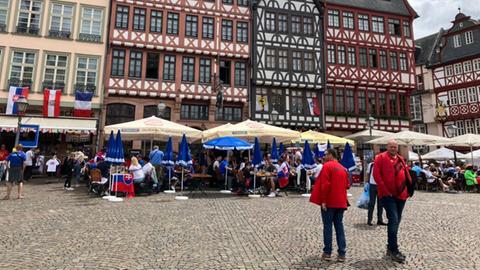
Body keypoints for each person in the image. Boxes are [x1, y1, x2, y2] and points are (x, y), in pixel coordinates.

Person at [373, 140, 412, 263]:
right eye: (391, 146)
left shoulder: (400, 158)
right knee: (394, 219)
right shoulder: (380, 158)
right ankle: (394, 249)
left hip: (401, 195)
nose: (393, 148)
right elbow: (376, 175)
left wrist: (409, 188)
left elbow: (405, 173)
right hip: (387, 195)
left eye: (395, 147)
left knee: (396, 220)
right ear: (387, 147)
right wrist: (384, 189)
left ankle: (390, 246)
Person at [310, 148, 350, 262]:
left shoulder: (327, 166)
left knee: (328, 226)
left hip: (330, 202)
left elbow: (325, 185)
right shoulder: (343, 168)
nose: (324, 156)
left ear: (331, 155)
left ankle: (327, 252)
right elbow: (347, 185)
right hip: (341, 202)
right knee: (339, 227)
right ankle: (342, 253)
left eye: (326, 154)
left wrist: (323, 201)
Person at [366, 160, 386, 226]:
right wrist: (367, 183)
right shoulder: (371, 165)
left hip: (380, 185)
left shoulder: (383, 164)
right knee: (371, 203)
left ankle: (380, 220)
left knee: (380, 204)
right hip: (372, 185)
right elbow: (368, 174)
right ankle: (369, 220)